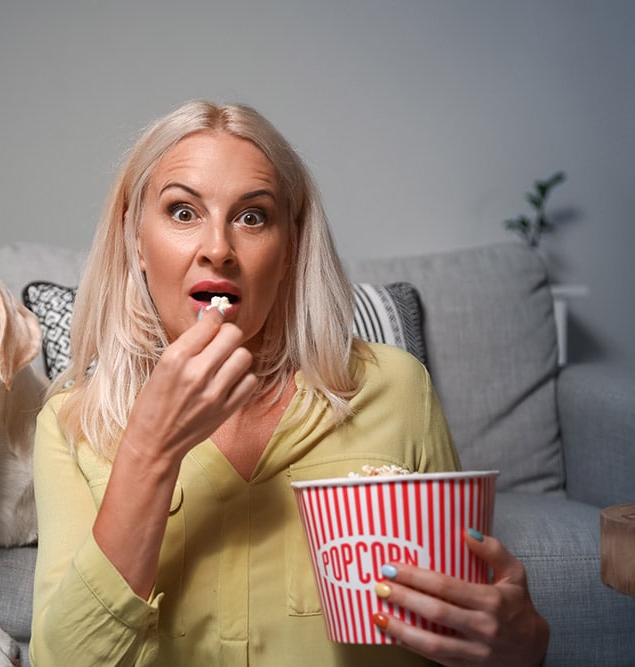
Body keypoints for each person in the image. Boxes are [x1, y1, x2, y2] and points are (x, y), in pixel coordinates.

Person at [29, 100, 549, 666]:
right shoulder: (70, 421)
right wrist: (150, 448)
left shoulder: (397, 389)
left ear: (290, 248)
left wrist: (519, 649)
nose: (219, 248)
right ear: (135, 238)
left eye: (252, 217)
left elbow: (466, 626)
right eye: (183, 212)